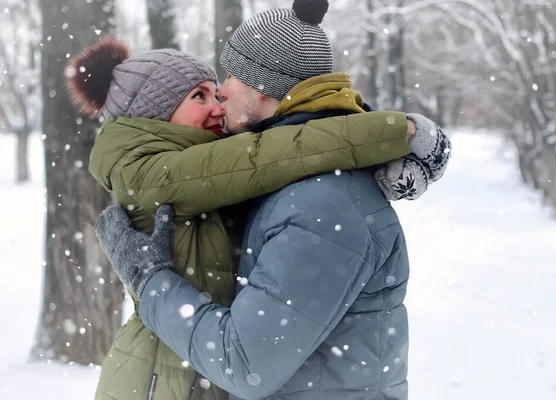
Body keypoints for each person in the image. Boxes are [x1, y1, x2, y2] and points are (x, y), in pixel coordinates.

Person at [68, 21, 448, 400]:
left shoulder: (321, 203)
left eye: (230, 76)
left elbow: (243, 362)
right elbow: (284, 150)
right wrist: (396, 137)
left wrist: (151, 283)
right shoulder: (192, 174)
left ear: (264, 84)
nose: (222, 95)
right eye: (200, 95)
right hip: (159, 382)